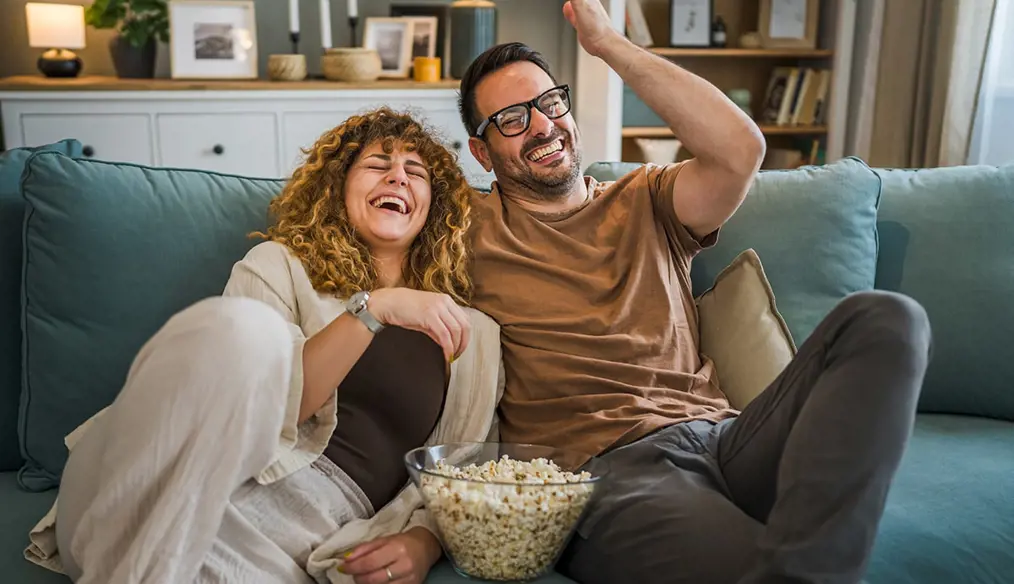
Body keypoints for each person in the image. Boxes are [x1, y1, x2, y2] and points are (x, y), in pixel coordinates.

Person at [455, 1, 932, 583]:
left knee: (887, 320)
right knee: (752, 566)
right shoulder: (466, 229)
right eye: (511, 119)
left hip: (726, 439)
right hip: (609, 474)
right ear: (481, 152)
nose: (542, 126)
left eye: (550, 103)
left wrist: (609, 45)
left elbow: (740, 150)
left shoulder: (645, 198)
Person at [26, 108, 505, 584]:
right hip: (164, 468)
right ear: (337, 188)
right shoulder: (278, 265)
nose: (398, 177)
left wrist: (425, 539)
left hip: (298, 523)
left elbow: (469, 473)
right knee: (242, 330)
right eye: (378, 166)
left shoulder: (475, 335)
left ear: (434, 205)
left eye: (415, 172)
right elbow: (272, 407)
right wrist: (373, 309)